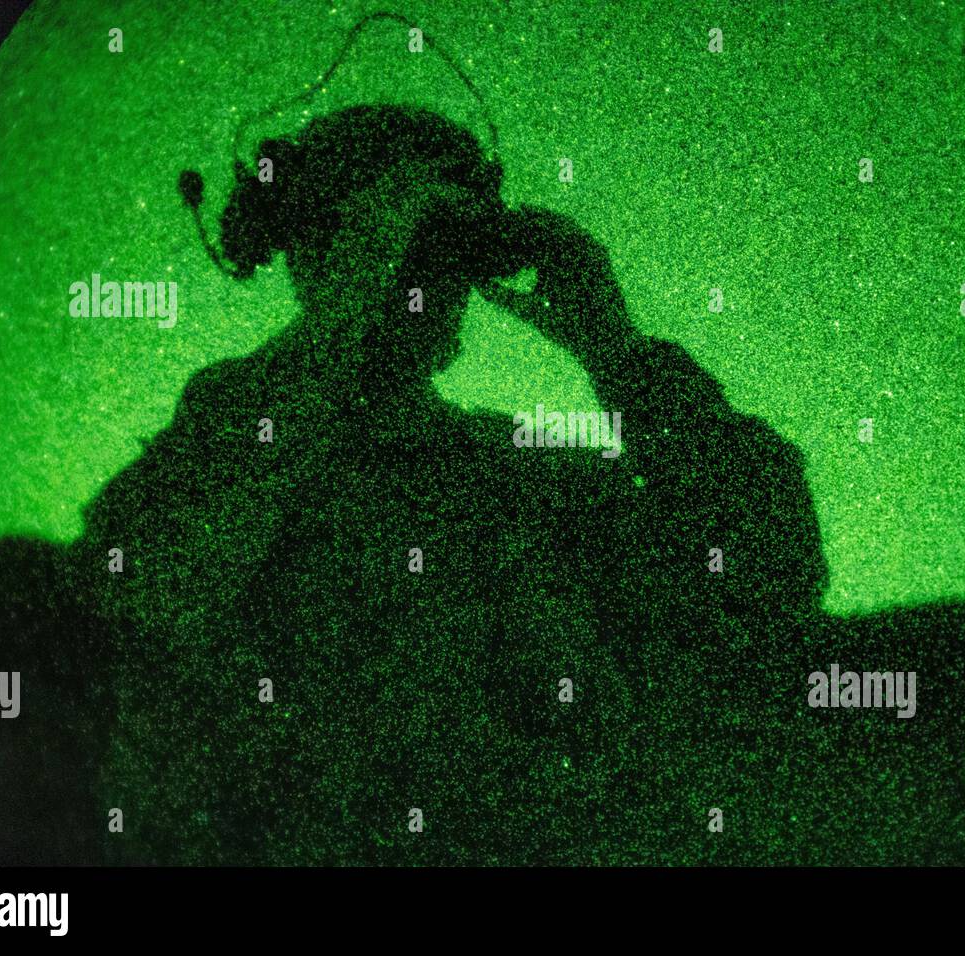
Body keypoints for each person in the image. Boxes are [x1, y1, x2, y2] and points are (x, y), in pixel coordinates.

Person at [74, 104, 829, 863]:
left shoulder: (512, 471)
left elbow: (769, 572)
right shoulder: (235, 432)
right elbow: (140, 580)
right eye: (391, 240)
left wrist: (616, 349)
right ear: (314, 253)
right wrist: (341, 315)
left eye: (446, 248)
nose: (426, 277)